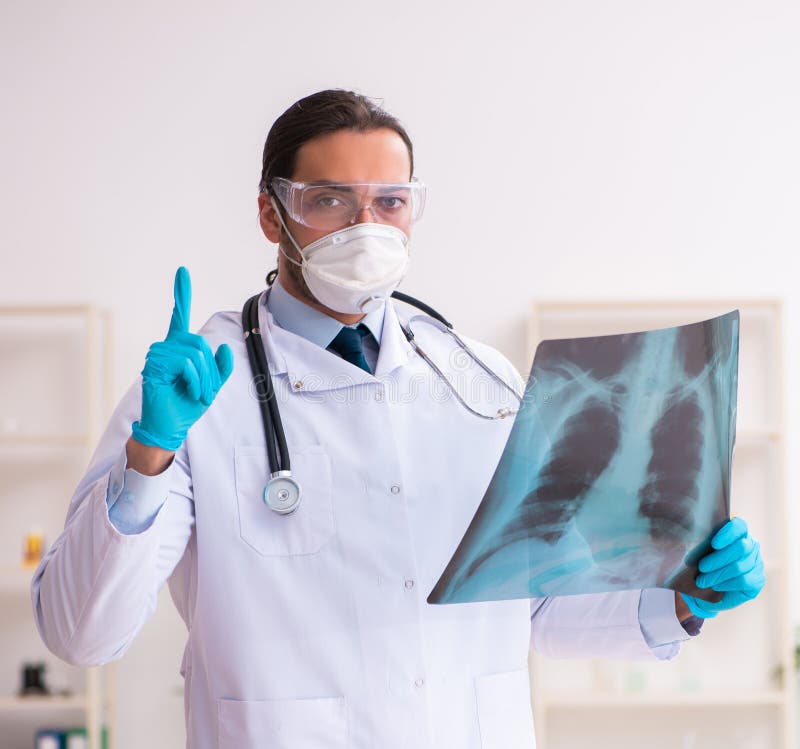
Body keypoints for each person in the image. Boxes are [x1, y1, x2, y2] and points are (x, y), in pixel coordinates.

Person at [31, 89, 765, 748]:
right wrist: (150, 454)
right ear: (272, 214)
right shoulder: (196, 390)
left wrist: (681, 599)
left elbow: (536, 603)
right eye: (330, 200)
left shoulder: (479, 380)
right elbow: (81, 634)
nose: (366, 226)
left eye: (390, 201)